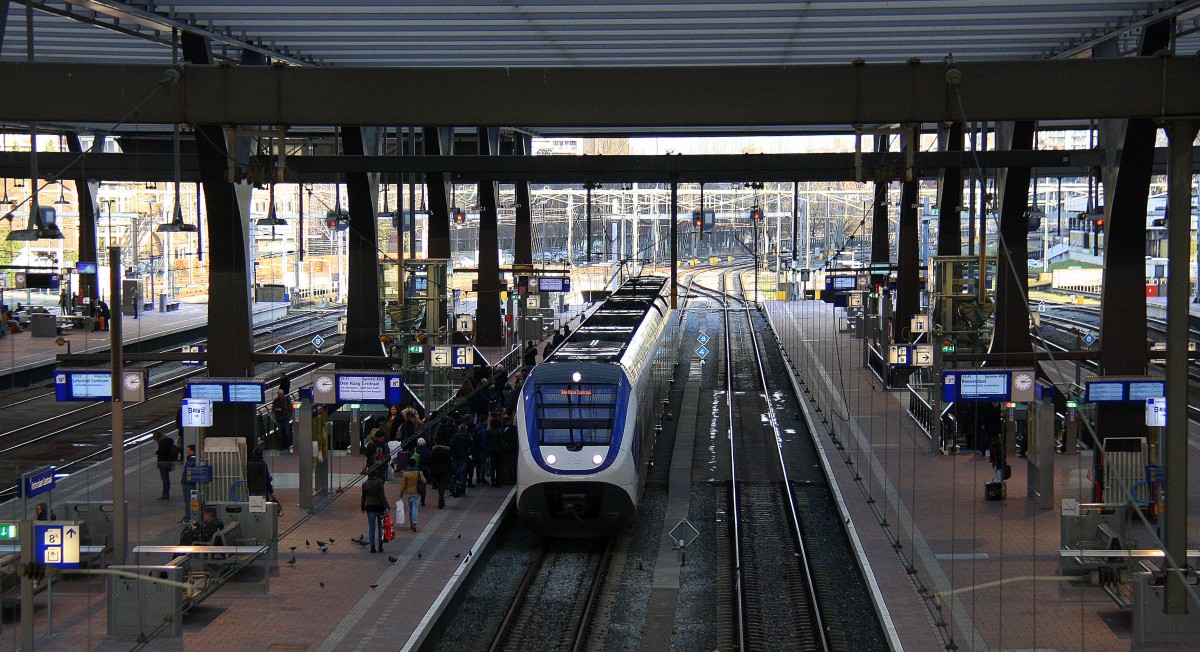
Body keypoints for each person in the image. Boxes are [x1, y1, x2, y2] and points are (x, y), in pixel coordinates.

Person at [247, 446, 281, 516]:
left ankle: (256, 522)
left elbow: (249, 479)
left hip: (253, 490)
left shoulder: (249, 465)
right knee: (264, 510)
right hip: (263, 490)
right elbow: (267, 479)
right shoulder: (263, 464)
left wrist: (249, 488)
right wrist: (270, 490)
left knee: (255, 510)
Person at [360, 472, 388, 553]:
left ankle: (372, 546)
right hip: (379, 506)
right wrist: (386, 506)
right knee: (380, 527)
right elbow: (382, 495)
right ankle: (380, 545)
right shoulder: (379, 482)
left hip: (369, 506)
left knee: (371, 527)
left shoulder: (364, 484)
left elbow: (363, 497)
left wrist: (362, 507)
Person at [398, 457, 426, 532]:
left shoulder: (406, 474)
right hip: (416, 493)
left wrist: (400, 495)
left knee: (410, 508)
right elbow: (424, 481)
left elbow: (403, 486)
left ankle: (410, 523)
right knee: (415, 508)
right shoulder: (419, 473)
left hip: (408, 493)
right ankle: (414, 523)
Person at [449, 424, 473, 498]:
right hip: (464, 456)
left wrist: (451, 454)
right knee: (463, 474)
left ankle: (452, 489)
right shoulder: (467, 436)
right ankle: (462, 491)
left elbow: (451, 445)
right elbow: (471, 446)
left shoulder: (455, 436)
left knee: (453, 473)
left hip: (455, 457)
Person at [430, 436, 453, 509]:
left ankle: (441, 499)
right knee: (443, 484)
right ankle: (441, 499)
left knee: (439, 484)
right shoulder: (447, 451)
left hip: (436, 470)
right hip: (445, 470)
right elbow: (449, 462)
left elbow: (431, 461)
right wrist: (452, 471)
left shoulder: (434, 451)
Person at [153, 432, 176, 500]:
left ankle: (165, 494)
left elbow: (162, 452)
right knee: (166, 479)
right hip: (169, 461)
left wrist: (157, 452)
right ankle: (166, 493)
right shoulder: (169, 441)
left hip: (163, 462)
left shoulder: (162, 442)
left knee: (164, 479)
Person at [180, 444, 198, 523]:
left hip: (188, 483)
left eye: (188, 450)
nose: (187, 452)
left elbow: (188, 471)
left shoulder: (192, 459)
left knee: (188, 500)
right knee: (190, 500)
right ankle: (190, 516)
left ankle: (188, 517)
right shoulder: (193, 459)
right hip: (190, 483)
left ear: (192, 451)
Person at [412, 437, 432, 506]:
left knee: (415, 484)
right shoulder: (427, 451)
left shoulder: (414, 450)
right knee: (423, 484)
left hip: (415, 469)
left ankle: (415, 499)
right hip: (424, 469)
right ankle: (422, 501)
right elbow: (429, 461)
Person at [487, 416, 505, 487]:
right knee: (499, 466)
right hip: (499, 449)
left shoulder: (489, 431)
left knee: (492, 465)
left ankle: (493, 481)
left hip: (491, 449)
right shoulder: (501, 431)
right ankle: (498, 481)